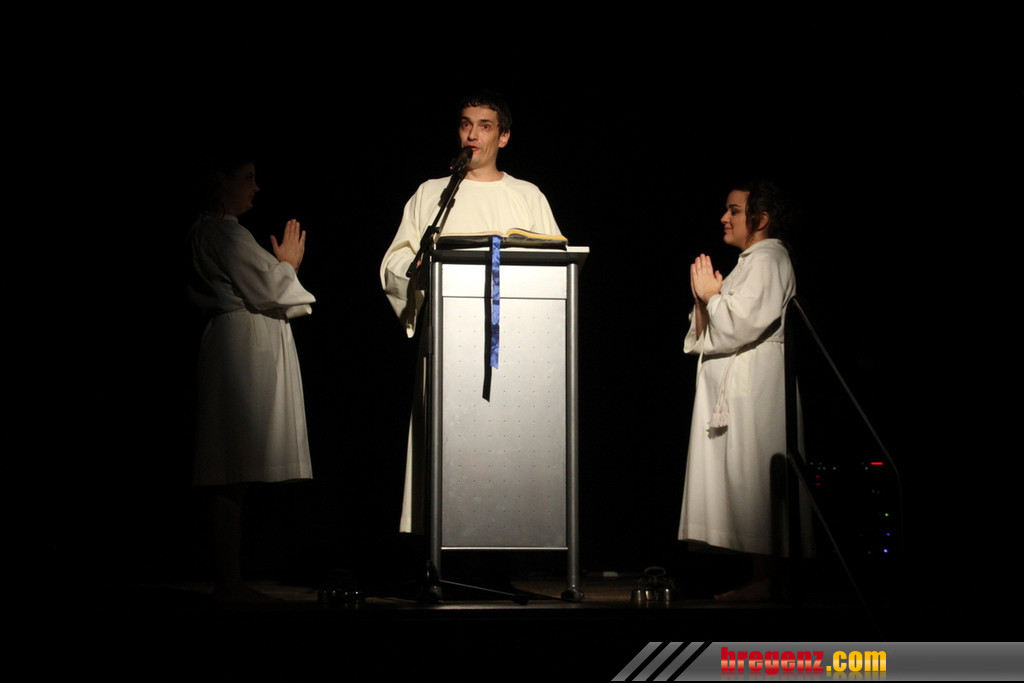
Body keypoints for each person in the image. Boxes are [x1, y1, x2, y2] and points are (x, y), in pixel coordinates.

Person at [380, 91, 563, 534]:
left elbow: (556, 265)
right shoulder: (433, 194)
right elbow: (395, 262)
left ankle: (508, 535)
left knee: (506, 444)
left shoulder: (527, 195)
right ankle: (442, 543)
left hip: (513, 344)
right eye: (466, 124)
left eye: (484, 126)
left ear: (504, 137)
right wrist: (415, 270)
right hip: (449, 341)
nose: (473, 134)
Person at [186, 151, 315, 602]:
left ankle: (231, 576)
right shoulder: (224, 232)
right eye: (247, 178)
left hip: (237, 342)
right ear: (220, 182)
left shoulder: (209, 231)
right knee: (231, 464)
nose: (255, 187)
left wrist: (280, 273)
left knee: (235, 465)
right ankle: (229, 579)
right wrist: (289, 266)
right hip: (240, 349)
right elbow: (270, 288)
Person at [677, 179, 803, 601]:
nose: (724, 218)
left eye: (734, 210)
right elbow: (709, 333)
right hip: (737, 388)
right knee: (744, 481)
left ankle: (771, 579)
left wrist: (712, 296)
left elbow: (740, 323)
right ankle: (760, 577)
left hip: (756, 388)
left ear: (761, 219)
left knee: (756, 479)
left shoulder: (769, 258)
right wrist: (703, 299)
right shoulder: (749, 262)